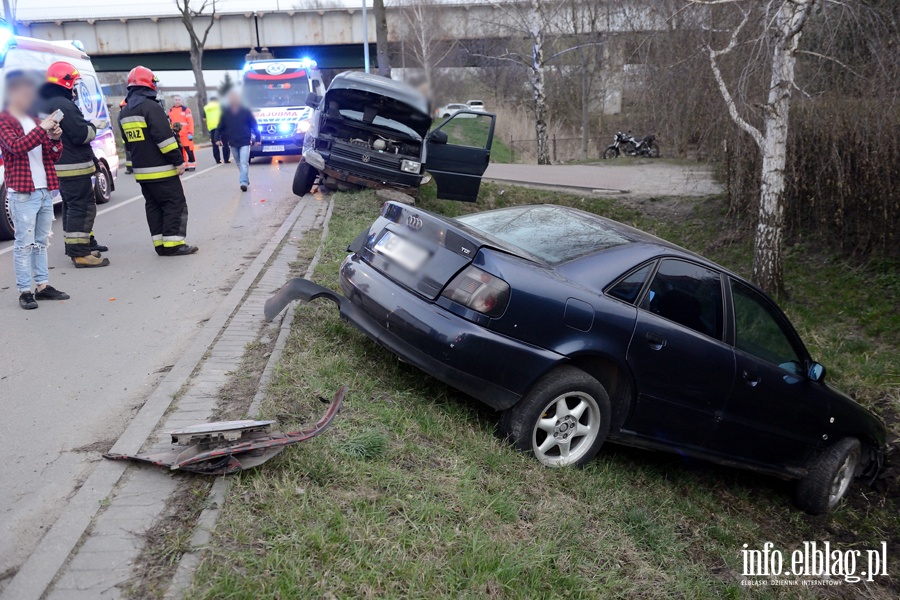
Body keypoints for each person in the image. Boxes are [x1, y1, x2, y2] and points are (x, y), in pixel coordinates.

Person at [0, 70, 71, 309]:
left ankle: (42, 286)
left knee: (41, 241)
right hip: (23, 191)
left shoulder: (33, 118)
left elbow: (53, 156)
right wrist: (43, 128)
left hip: (43, 189)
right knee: (24, 244)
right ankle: (24, 291)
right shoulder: (5, 119)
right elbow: (17, 147)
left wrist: (54, 138)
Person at [119, 66, 198, 256]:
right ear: (149, 84)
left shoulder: (124, 112)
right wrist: (179, 161)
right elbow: (165, 140)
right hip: (162, 169)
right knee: (174, 203)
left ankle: (160, 245)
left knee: (153, 206)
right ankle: (174, 244)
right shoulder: (152, 108)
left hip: (142, 172)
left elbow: (128, 144)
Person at [39, 61, 110, 267]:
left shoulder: (49, 102)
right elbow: (81, 135)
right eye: (75, 83)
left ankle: (77, 246)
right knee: (82, 207)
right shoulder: (63, 104)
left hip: (63, 166)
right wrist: (93, 126)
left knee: (72, 207)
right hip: (73, 167)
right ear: (67, 82)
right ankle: (80, 253)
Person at [217, 90, 259, 192]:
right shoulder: (226, 113)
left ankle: (243, 182)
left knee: (244, 162)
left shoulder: (245, 111)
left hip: (244, 141)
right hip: (232, 142)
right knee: (239, 163)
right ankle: (245, 178)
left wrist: (258, 138)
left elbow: (254, 125)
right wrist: (217, 138)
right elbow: (220, 127)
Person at [168, 94, 196, 171]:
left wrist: (190, 133)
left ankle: (192, 164)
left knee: (189, 150)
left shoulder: (186, 110)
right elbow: (170, 122)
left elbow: (190, 122)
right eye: (176, 100)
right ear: (173, 101)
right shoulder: (170, 111)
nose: (177, 101)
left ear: (181, 101)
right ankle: (185, 165)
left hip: (186, 134)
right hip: (176, 135)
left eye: (178, 100)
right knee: (180, 151)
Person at [203, 93, 229, 164]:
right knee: (225, 143)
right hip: (221, 126)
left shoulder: (206, 108)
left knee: (215, 144)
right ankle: (226, 159)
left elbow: (204, 119)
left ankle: (218, 160)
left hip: (212, 127)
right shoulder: (221, 106)